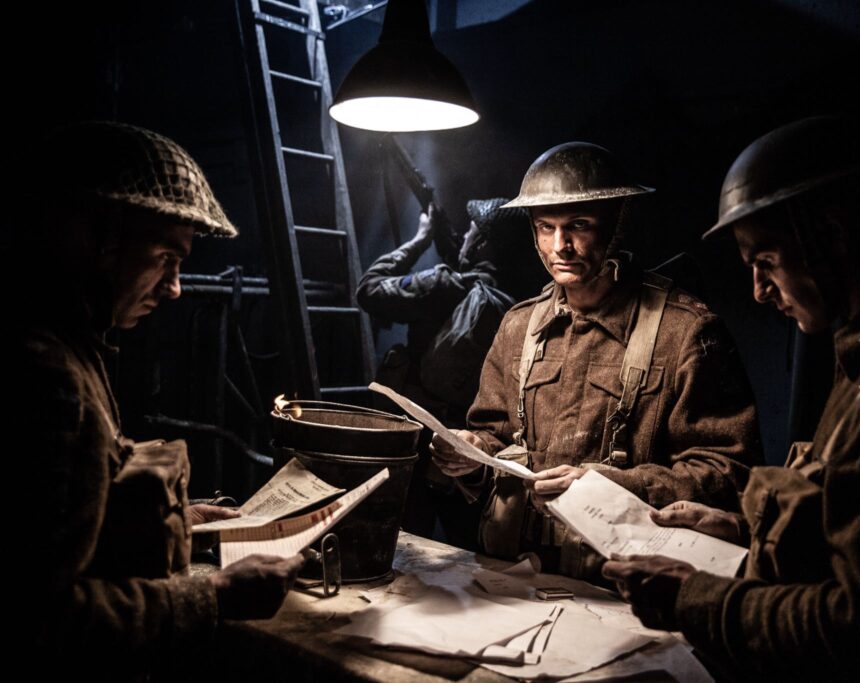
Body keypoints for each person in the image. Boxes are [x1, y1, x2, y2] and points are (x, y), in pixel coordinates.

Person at [603, 117, 860, 680]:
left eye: (765, 261)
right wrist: (741, 529)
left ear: (832, 235)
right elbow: (849, 523)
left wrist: (694, 599)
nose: (757, 290)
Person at [11, 122, 304, 677]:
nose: (174, 288)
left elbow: (78, 513)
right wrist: (212, 596)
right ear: (100, 239)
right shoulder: (43, 376)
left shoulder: (75, 348)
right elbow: (36, 620)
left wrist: (182, 522)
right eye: (167, 258)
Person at [430, 142, 762, 579]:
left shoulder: (685, 332)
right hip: (512, 575)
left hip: (624, 584)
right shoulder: (518, 327)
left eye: (579, 226)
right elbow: (493, 436)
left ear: (616, 224)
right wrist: (472, 455)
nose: (560, 245)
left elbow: (727, 474)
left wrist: (610, 486)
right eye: (546, 228)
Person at [357, 198, 533, 548]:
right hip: (470, 448)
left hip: (414, 442)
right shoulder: (521, 307)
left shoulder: (446, 286)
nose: (464, 237)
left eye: (470, 232)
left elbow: (370, 288)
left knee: (398, 546)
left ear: (481, 242)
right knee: (466, 553)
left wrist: (420, 239)